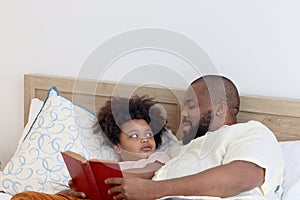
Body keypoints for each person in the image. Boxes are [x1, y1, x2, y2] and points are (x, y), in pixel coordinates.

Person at [105, 75, 284, 200]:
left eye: (191, 106)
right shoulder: (178, 151)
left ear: (219, 109)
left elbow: (242, 177)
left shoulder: (250, 132)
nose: (183, 114)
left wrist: (154, 190)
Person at [11, 95, 171, 200]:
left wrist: (108, 177)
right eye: (134, 136)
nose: (144, 139)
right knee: (24, 198)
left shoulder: (158, 158)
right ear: (118, 147)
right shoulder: (110, 164)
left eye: (149, 134)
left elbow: (148, 172)